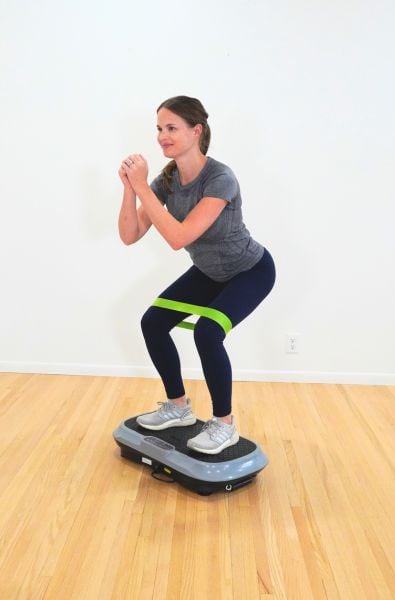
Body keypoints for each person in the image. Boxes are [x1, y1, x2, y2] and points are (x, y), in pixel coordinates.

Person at [117, 96, 275, 454]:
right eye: (159, 128)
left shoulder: (220, 178)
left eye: (171, 128)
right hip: (208, 271)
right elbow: (129, 235)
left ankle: (224, 425)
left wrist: (142, 187)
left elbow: (179, 237)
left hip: (249, 271)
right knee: (153, 322)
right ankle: (179, 408)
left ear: (196, 131)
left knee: (207, 332)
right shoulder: (167, 180)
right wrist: (130, 189)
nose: (162, 137)